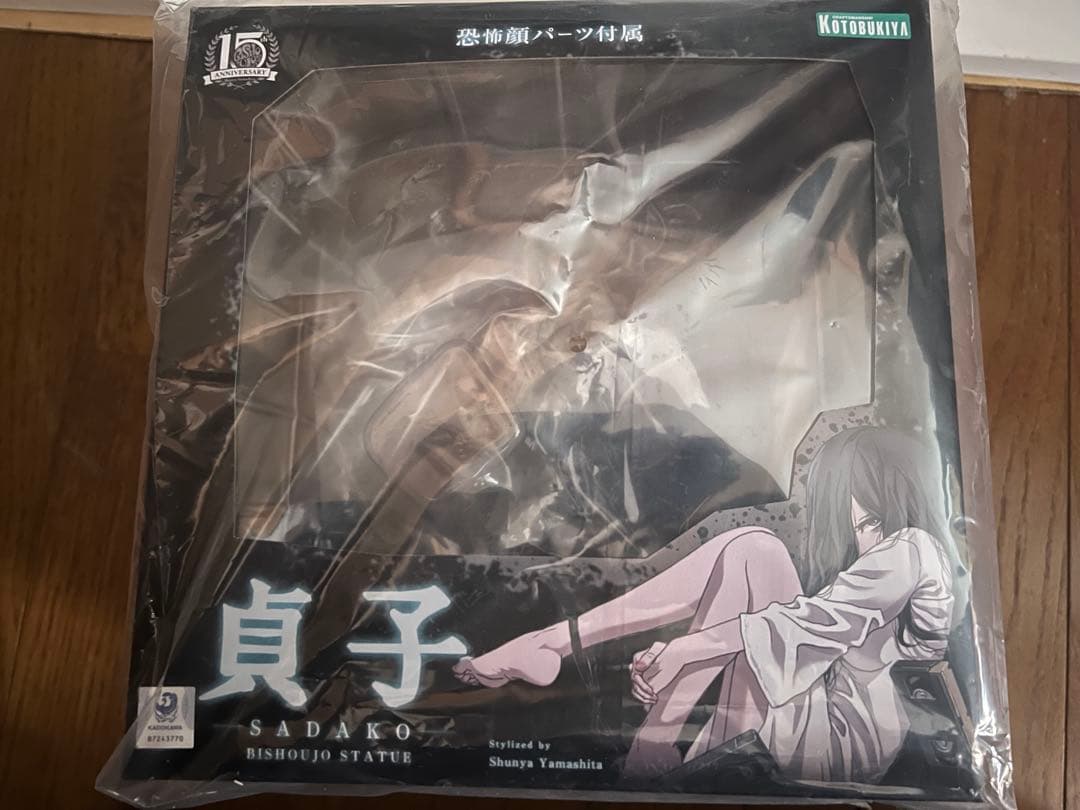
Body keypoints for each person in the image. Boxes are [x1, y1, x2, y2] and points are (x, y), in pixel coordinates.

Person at [453, 426, 958, 783]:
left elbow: (811, 624)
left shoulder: (914, 548)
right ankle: (642, 731)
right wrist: (686, 651)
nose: (864, 539)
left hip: (847, 737)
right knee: (751, 554)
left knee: (757, 552)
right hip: (812, 707)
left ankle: (569, 656)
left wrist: (683, 650)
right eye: (858, 525)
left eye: (870, 521)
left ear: (897, 490)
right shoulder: (887, 556)